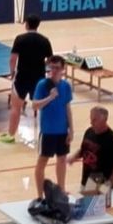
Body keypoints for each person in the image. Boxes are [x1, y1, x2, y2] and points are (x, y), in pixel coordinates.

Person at [2, 15, 53, 144]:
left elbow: (13, 59)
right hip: (39, 79)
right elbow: (50, 61)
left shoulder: (20, 39)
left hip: (22, 78)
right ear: (38, 25)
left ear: (27, 24)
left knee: (16, 107)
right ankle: (48, 134)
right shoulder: (45, 40)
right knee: (43, 107)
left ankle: (10, 135)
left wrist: (12, 72)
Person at [30, 56, 74, 196]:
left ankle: (61, 190)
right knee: (42, 162)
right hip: (48, 131)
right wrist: (49, 97)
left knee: (61, 160)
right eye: (51, 67)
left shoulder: (66, 86)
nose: (54, 71)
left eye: (57, 68)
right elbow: (35, 105)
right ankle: (39, 195)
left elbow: (67, 107)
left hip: (62, 131)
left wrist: (71, 129)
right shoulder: (43, 85)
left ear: (63, 69)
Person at [73, 107, 113, 192]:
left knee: (96, 205)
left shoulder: (111, 138)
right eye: (91, 119)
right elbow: (83, 150)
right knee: (85, 204)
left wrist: (109, 183)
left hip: (100, 184)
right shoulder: (89, 131)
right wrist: (73, 157)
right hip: (86, 181)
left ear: (104, 120)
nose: (91, 122)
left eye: (94, 120)